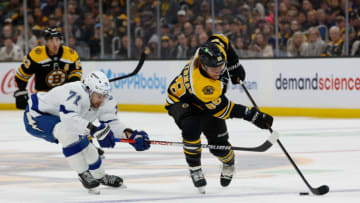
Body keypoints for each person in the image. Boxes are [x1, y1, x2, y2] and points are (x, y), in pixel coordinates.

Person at [165, 34, 273, 193]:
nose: (218, 71)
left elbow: (221, 38)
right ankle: (195, 169)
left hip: (210, 103)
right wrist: (252, 115)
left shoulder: (214, 52)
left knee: (219, 146)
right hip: (182, 101)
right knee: (191, 128)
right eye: (214, 69)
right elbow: (223, 110)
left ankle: (228, 162)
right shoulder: (201, 85)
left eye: (221, 67)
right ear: (202, 65)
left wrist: (234, 65)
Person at [23, 71, 151, 193]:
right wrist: (96, 131)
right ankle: (83, 173)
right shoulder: (74, 92)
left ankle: (101, 176)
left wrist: (131, 136)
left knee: (85, 144)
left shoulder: (104, 98)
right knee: (68, 134)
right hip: (36, 116)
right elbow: (69, 120)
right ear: (88, 90)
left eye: (104, 96)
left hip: (61, 119)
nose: (102, 100)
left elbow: (111, 122)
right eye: (98, 96)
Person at [14, 27, 83, 110]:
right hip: (43, 97)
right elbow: (21, 75)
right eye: (51, 40)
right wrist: (21, 90)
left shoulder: (71, 54)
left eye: (57, 40)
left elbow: (76, 73)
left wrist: (71, 91)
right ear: (46, 42)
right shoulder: (36, 55)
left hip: (64, 97)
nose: (55, 44)